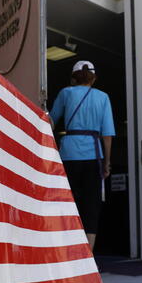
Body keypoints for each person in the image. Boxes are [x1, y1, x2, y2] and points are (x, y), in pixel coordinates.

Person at [49, 60, 115, 250]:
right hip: (93, 154)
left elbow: (51, 121)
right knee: (91, 203)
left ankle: (67, 248)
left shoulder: (65, 93)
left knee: (68, 201)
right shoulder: (103, 97)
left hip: (69, 153)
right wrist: (107, 163)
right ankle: (88, 254)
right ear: (93, 78)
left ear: (73, 77)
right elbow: (107, 135)